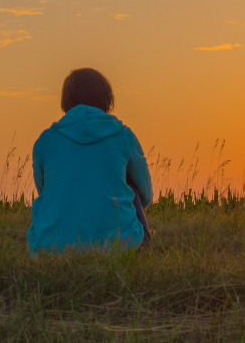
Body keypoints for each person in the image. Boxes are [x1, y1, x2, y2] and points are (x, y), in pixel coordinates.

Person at [27, 67, 154, 254]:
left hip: (50, 249)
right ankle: (139, 243)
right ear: (107, 99)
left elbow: (44, 190)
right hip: (119, 247)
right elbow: (146, 195)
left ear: (65, 101)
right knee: (130, 184)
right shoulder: (123, 136)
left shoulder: (45, 141)